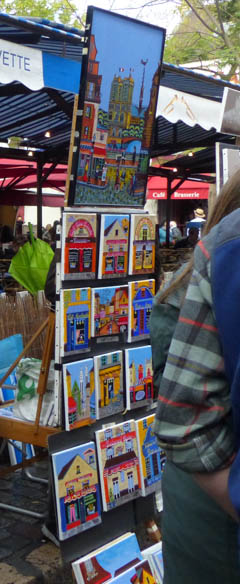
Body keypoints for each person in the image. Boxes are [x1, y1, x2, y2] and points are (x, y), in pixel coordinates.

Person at [153, 171, 240, 582]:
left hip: (198, 492)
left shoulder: (186, 281)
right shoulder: (199, 279)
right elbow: (184, 417)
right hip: (212, 505)